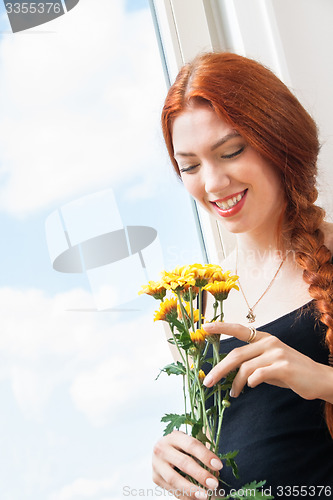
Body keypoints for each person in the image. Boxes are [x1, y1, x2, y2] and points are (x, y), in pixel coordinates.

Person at [152, 52, 333, 499]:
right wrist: (176, 460)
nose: (212, 183)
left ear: (279, 139)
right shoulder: (200, 297)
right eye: (190, 166)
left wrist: (318, 379)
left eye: (230, 152)